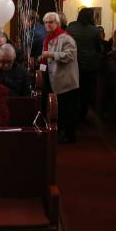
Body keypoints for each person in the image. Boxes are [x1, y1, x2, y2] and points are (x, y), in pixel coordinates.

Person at [41, 12, 79, 143]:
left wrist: (51, 54)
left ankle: (68, 136)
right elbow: (45, 58)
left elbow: (70, 56)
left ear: (57, 23)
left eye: (51, 22)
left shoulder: (66, 38)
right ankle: (59, 132)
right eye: (46, 22)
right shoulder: (48, 37)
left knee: (67, 110)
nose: (48, 25)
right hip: (53, 78)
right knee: (58, 110)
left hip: (65, 80)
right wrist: (41, 69)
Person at [67, 7, 101, 121]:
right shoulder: (95, 31)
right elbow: (98, 48)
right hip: (89, 65)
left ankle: (73, 114)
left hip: (74, 63)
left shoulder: (71, 27)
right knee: (86, 91)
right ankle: (83, 114)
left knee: (73, 90)